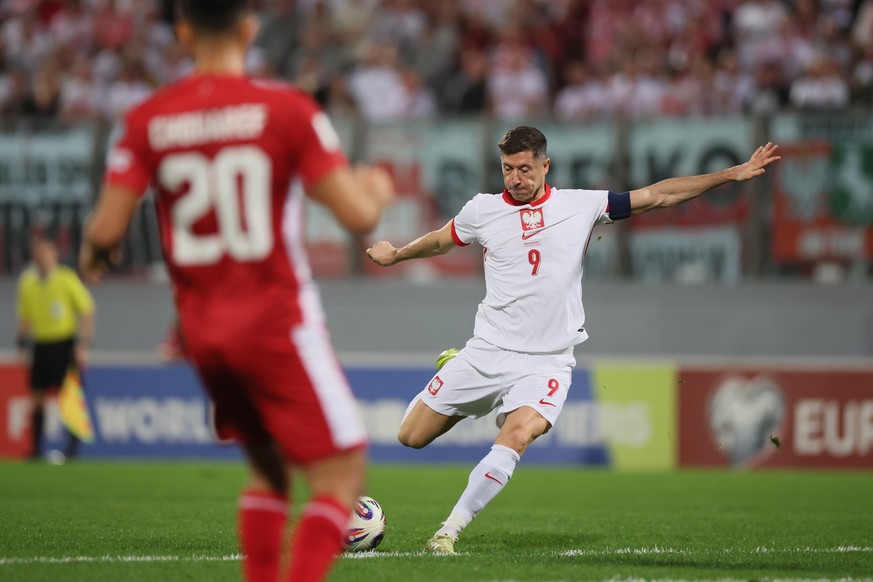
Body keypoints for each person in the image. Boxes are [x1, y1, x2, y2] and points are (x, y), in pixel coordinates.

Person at [79, 1, 394, 581]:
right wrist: (375, 189)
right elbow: (355, 216)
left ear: (182, 32)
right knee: (343, 472)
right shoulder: (285, 109)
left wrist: (94, 256)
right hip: (274, 319)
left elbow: (103, 230)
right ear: (249, 28)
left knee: (269, 470)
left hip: (202, 332)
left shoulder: (148, 118)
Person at [366, 126, 780, 554]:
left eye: (525, 168)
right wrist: (397, 254)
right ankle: (473, 387)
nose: (515, 178)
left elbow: (658, 195)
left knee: (517, 435)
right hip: (486, 352)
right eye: (508, 169)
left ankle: (447, 532)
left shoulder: (581, 205)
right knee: (410, 437)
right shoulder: (482, 211)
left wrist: (729, 175)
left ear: (546, 166)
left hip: (546, 361)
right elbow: (439, 241)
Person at [16, 236, 95, 461]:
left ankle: (72, 450)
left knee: (69, 396)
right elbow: (25, 316)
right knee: (37, 397)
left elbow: (87, 310)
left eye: (48, 252)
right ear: (35, 257)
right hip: (41, 344)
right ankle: (36, 449)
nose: (44, 257)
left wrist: (83, 344)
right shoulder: (27, 282)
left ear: (55, 256)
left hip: (64, 344)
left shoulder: (66, 278)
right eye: (40, 253)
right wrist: (21, 344)